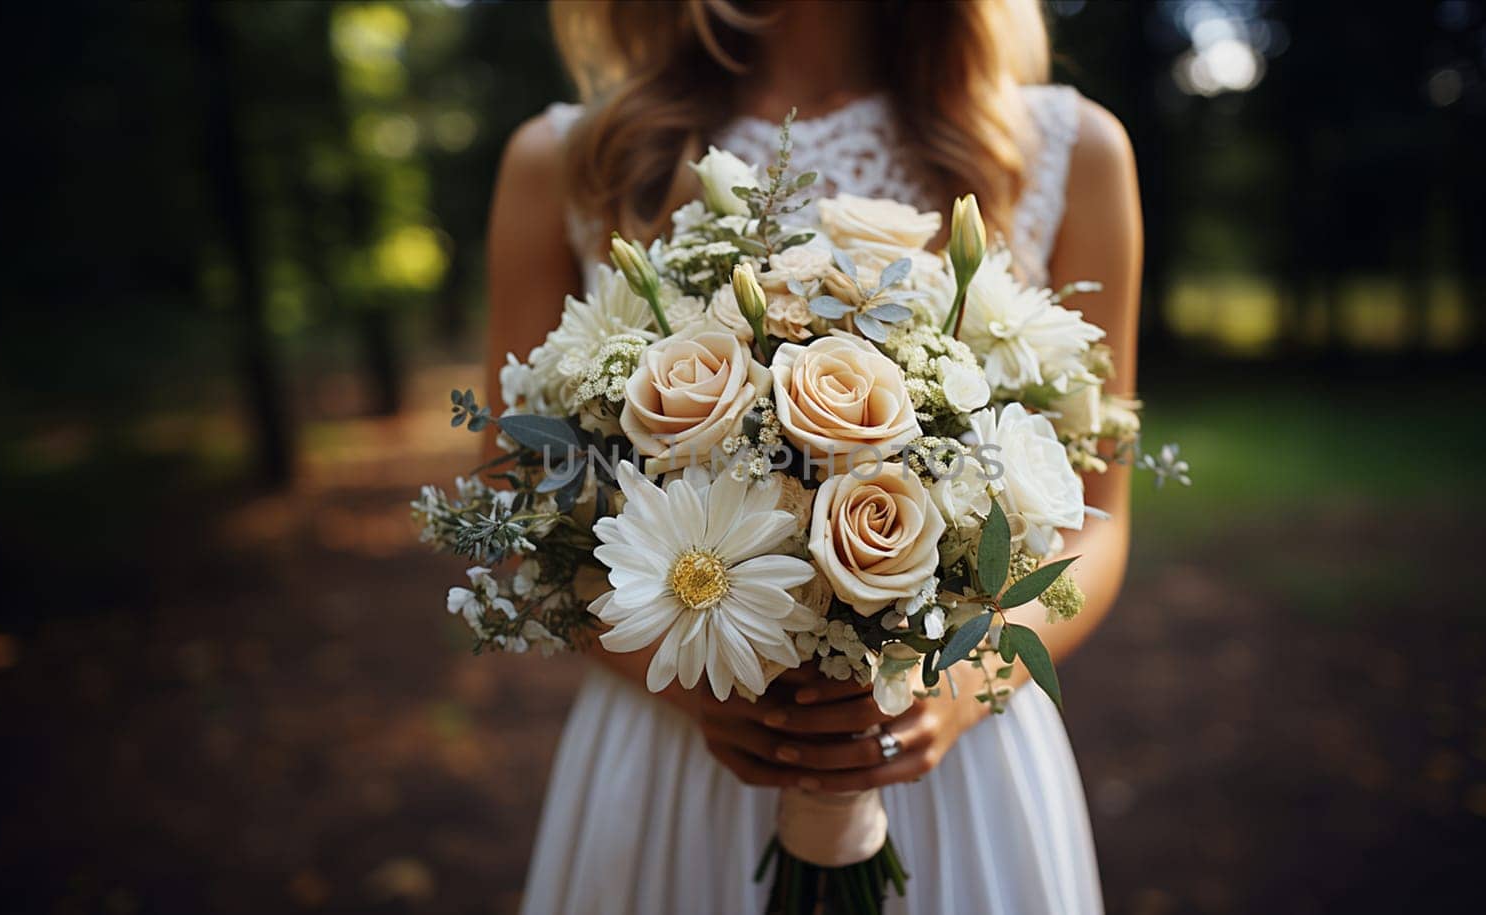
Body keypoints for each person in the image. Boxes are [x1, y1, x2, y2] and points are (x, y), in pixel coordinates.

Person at [485, 2, 1141, 911]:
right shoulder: (572, 158)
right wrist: (685, 681)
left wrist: (954, 682)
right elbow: (520, 508)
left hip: (952, 755)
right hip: (682, 746)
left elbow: (1099, 521)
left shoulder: (1070, 147)